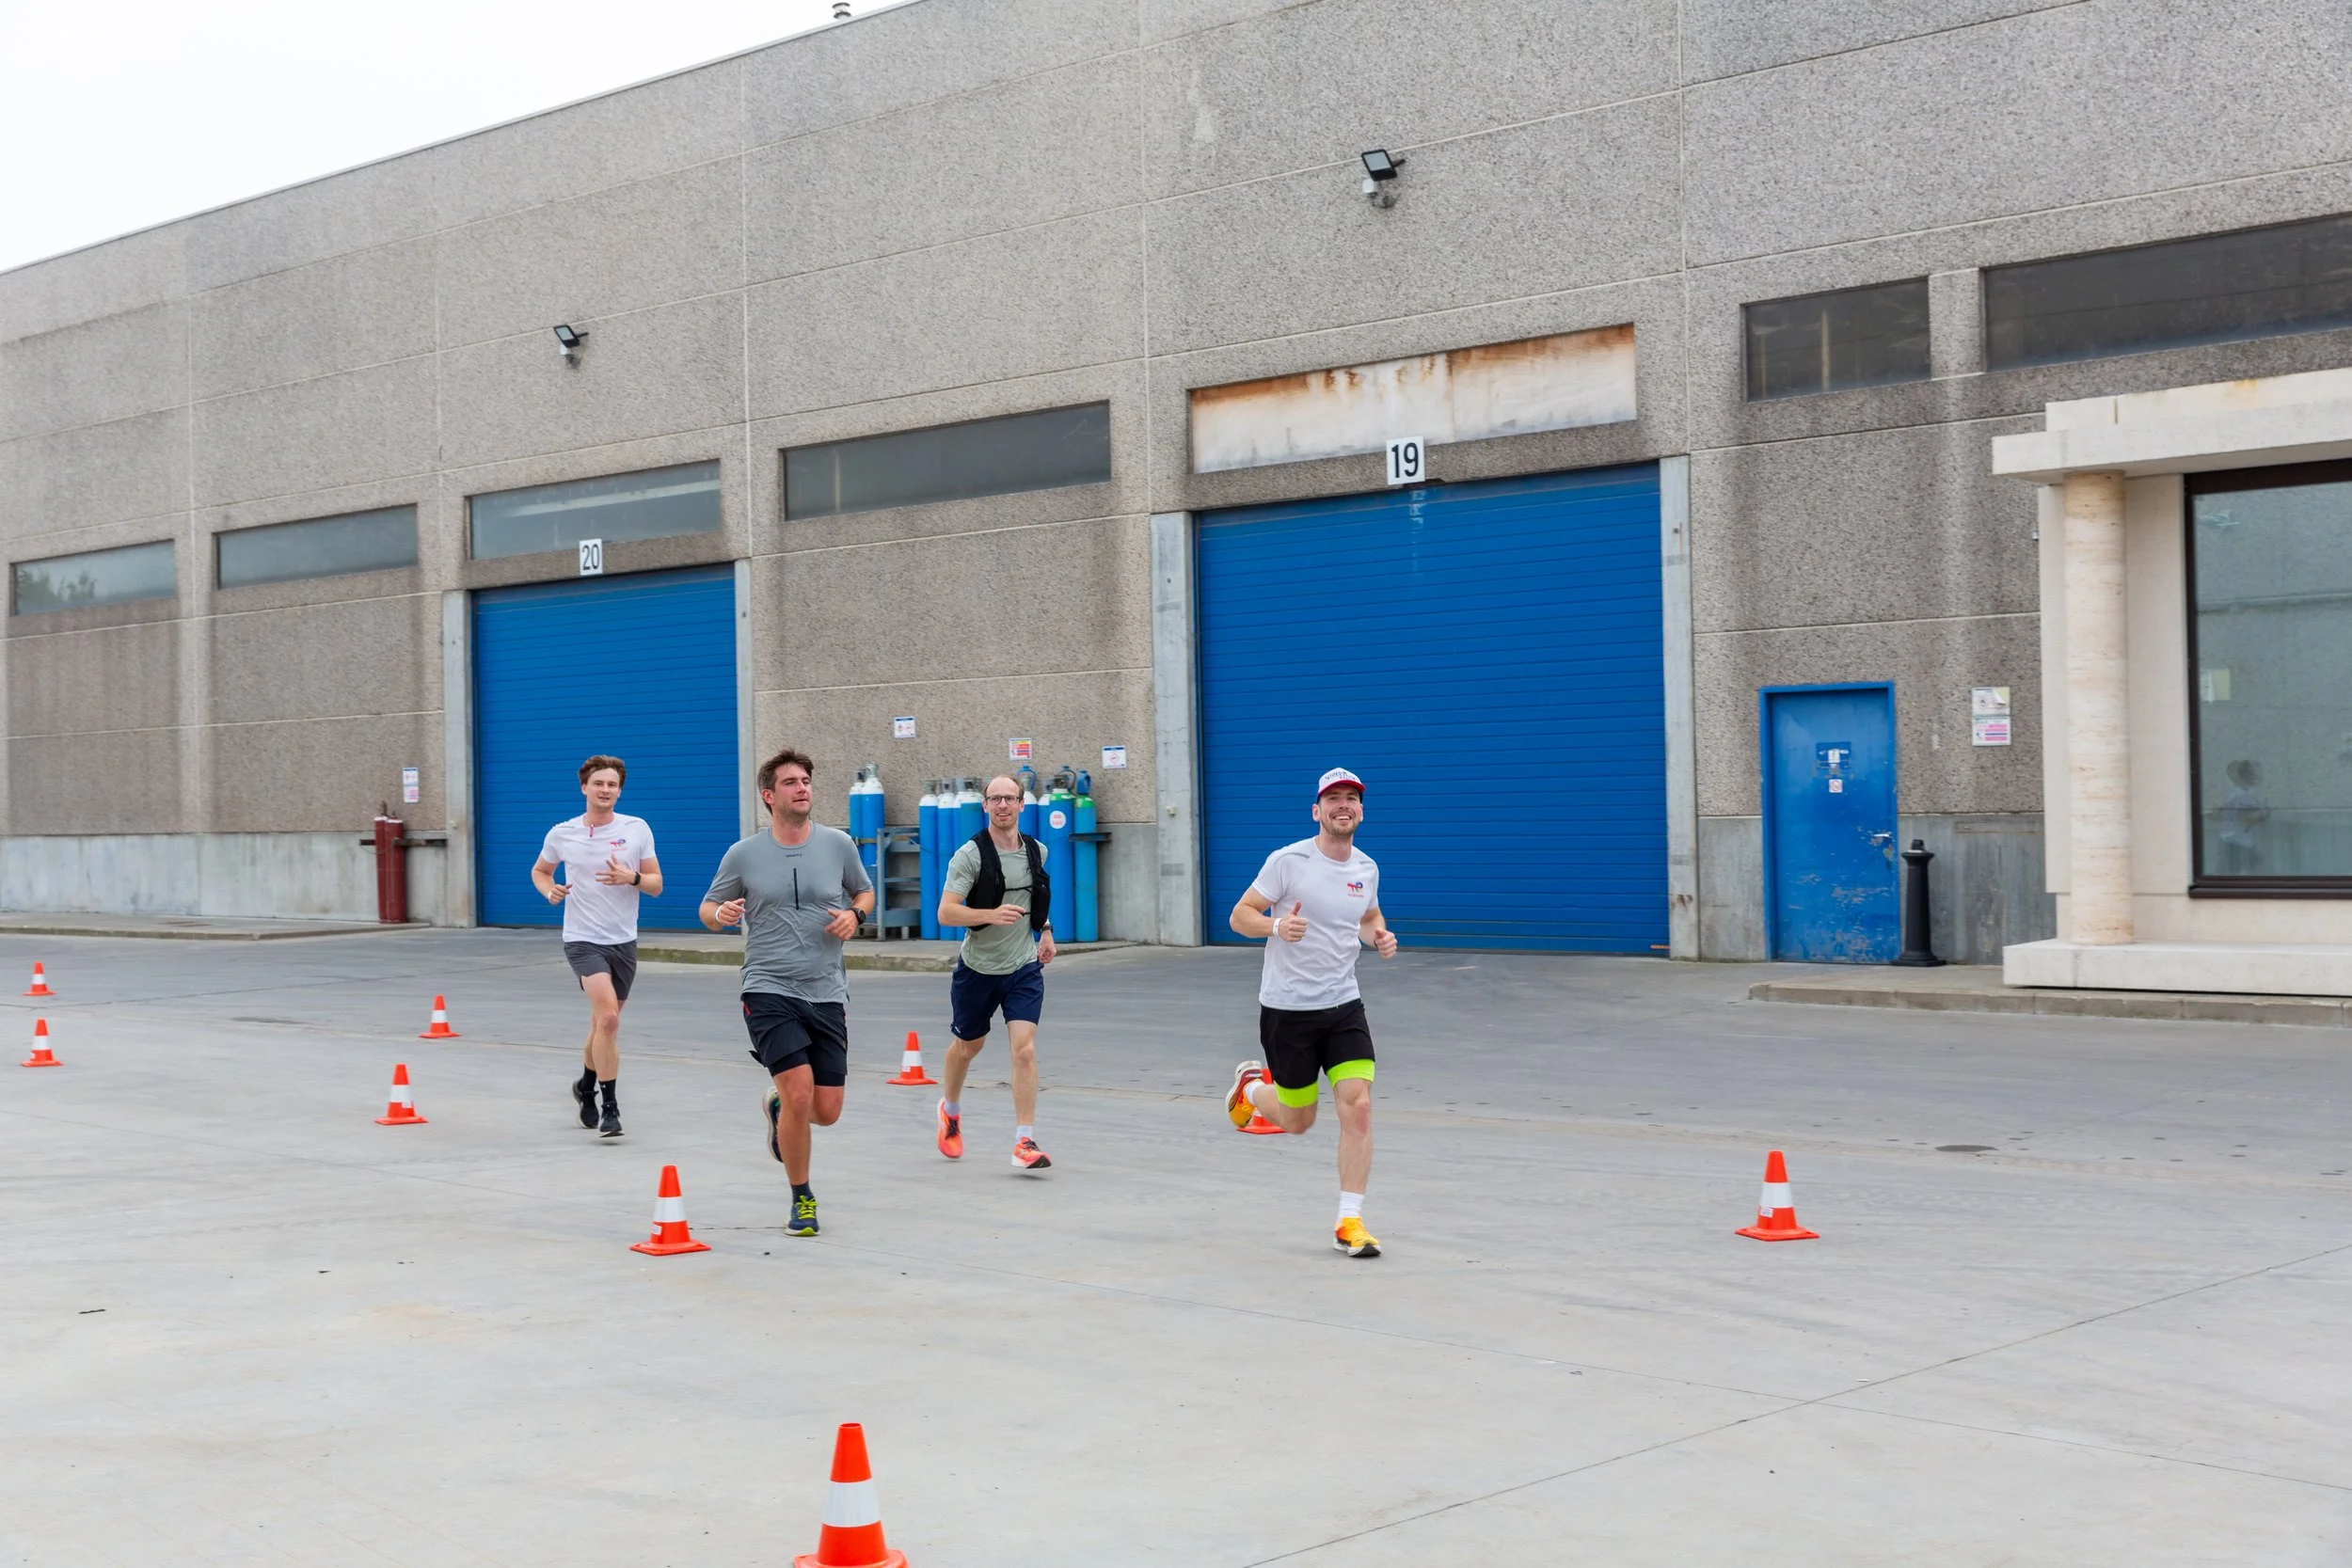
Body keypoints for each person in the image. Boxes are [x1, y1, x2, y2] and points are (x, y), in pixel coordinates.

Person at [1223, 768, 1398, 1258]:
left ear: (1361, 810)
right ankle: (1250, 1089)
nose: (1344, 805)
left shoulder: (1366, 868)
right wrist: (1276, 927)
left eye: (1351, 799)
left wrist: (1379, 936)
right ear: (1316, 811)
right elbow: (1240, 916)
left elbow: (1367, 916)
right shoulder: (1288, 861)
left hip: (1344, 1005)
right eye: (1333, 798)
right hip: (1289, 1009)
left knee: (1358, 1105)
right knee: (1299, 1120)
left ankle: (1349, 1221)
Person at [700, 748, 873, 1237]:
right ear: (769, 796)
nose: (802, 789)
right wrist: (721, 915)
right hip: (768, 986)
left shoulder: (838, 844)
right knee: (799, 1093)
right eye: (791, 782)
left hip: (826, 989)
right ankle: (802, 1199)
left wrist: (855, 915)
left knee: (826, 1111)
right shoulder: (743, 854)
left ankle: (776, 1108)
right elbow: (707, 908)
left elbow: (864, 892)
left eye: (806, 781)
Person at [532, 754, 661, 1138]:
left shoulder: (637, 829)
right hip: (582, 940)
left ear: (619, 791)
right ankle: (610, 1108)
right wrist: (550, 891)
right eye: (599, 783)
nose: (605, 790)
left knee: (601, 1024)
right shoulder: (563, 833)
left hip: (623, 941)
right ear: (584, 787)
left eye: (612, 785)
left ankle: (585, 1087)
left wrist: (631, 877)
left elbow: (656, 884)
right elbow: (540, 871)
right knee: (608, 1019)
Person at [934, 775, 1057, 1170]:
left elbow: (1034, 898)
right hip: (978, 969)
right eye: (995, 799)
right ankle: (950, 1111)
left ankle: (1024, 1141)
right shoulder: (969, 856)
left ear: (1022, 804)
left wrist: (1046, 930)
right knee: (968, 1047)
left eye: (1010, 798)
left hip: (1023, 966)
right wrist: (990, 915)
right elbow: (946, 912)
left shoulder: (1036, 851)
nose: (1003, 805)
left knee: (1025, 1050)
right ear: (985, 805)